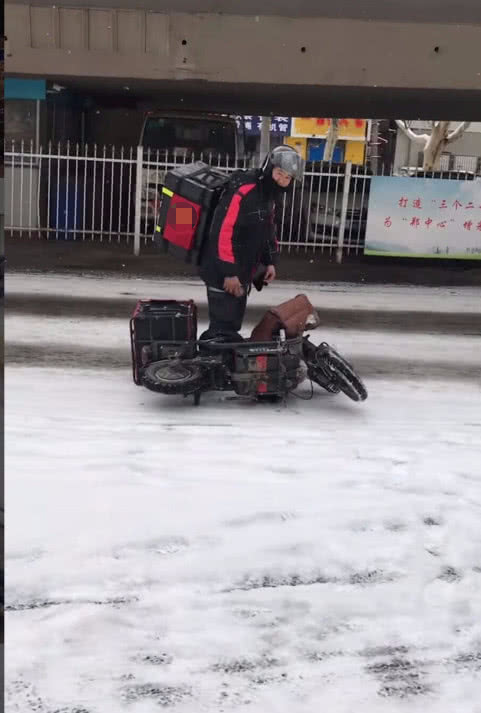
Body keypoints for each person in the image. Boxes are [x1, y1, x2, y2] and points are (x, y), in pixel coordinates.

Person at [198, 145, 304, 340]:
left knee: (232, 324)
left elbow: (267, 228)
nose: (281, 180)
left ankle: (222, 363)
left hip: (242, 270)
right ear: (269, 168)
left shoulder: (268, 195)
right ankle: (208, 365)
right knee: (222, 327)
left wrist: (270, 260)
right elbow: (221, 231)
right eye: (279, 173)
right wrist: (228, 272)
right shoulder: (245, 188)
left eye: (287, 177)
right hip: (220, 270)